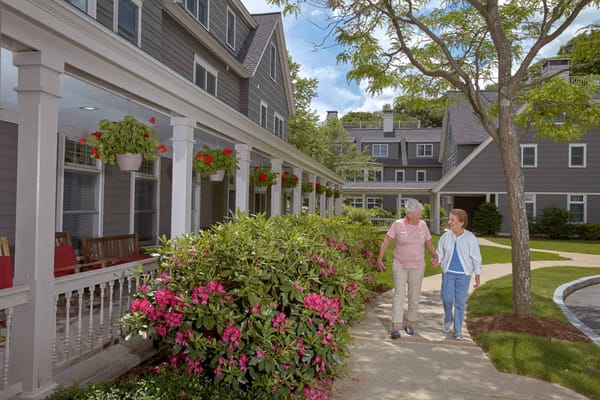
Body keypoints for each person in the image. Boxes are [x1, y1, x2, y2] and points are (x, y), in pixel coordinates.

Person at [376, 198, 438, 339]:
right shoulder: (398, 225)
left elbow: (428, 243)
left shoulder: (423, 226)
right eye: (417, 213)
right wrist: (380, 257)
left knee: (414, 296)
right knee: (399, 296)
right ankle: (395, 327)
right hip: (400, 265)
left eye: (420, 213)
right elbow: (387, 241)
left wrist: (435, 255)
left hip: (418, 266)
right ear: (409, 213)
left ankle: (409, 323)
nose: (420, 216)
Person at [433, 208, 482, 340]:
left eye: (452, 220)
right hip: (448, 273)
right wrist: (436, 260)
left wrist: (477, 274)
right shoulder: (445, 236)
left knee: (460, 303)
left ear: (461, 222)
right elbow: (440, 253)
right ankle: (448, 318)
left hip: (463, 275)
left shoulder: (470, 238)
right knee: (446, 298)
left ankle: (458, 330)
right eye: (449, 219)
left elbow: (476, 257)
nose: (449, 222)